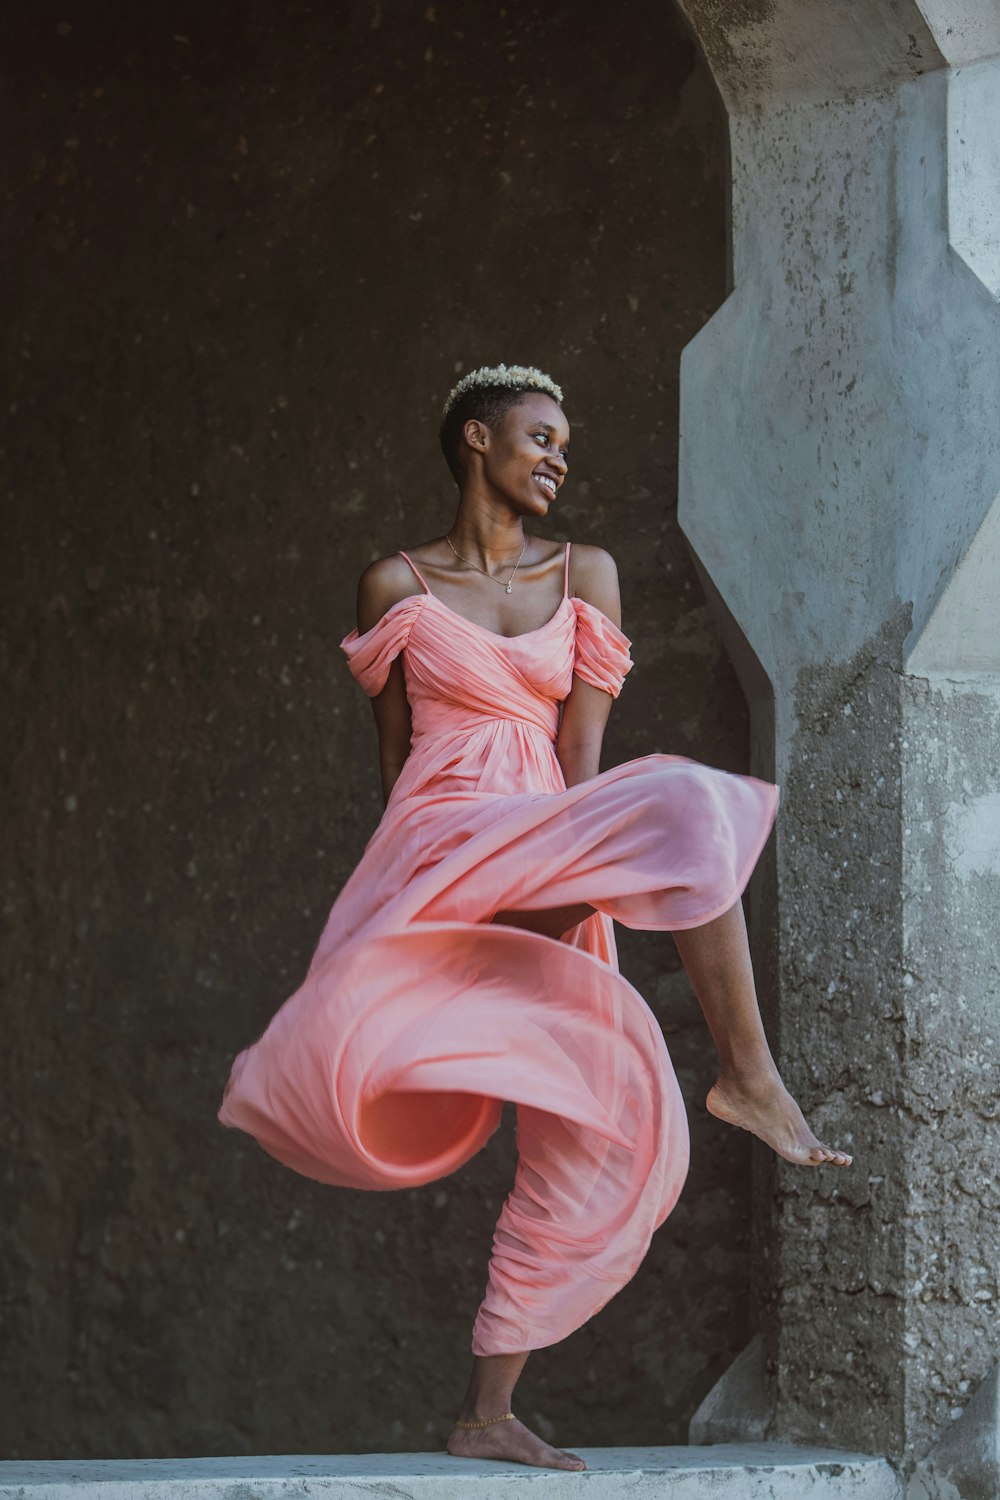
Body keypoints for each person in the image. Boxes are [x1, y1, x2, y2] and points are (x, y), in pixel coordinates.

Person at [218, 363, 851, 1474]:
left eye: (564, 445)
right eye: (539, 438)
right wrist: (424, 913)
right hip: (439, 848)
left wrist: (572, 881)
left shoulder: (587, 576)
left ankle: (485, 1411)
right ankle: (749, 1076)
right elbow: (394, 765)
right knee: (687, 803)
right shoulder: (394, 586)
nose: (558, 459)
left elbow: (585, 775)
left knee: (595, 1117)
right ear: (476, 439)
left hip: (549, 843)